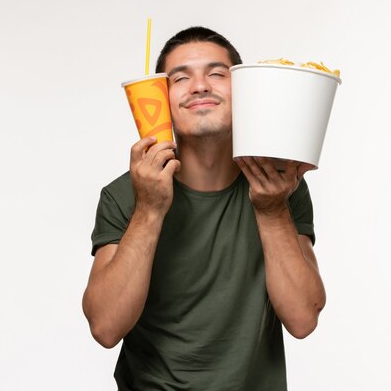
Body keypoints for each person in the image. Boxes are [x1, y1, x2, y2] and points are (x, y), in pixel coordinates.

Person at [83, 26, 326, 391]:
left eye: (216, 74)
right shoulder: (126, 194)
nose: (200, 86)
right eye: (181, 78)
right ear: (161, 100)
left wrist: (272, 211)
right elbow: (105, 327)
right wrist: (149, 209)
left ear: (243, 92)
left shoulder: (279, 184)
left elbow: (303, 319)